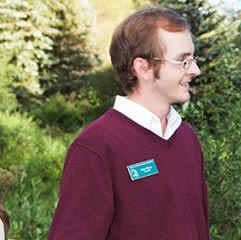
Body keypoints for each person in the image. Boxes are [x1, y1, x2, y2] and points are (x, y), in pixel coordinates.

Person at [48, 7, 210, 239]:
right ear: (142, 67)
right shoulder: (96, 147)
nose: (195, 70)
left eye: (193, 59)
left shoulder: (187, 138)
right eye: (183, 61)